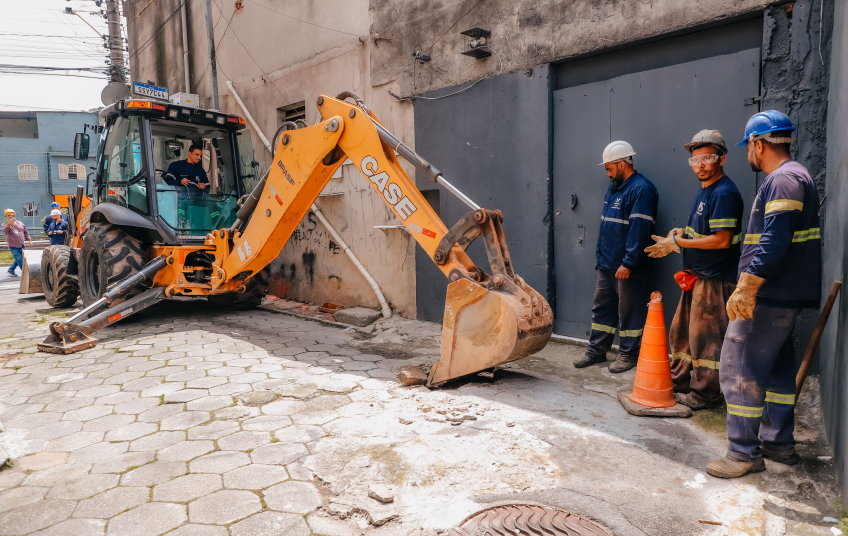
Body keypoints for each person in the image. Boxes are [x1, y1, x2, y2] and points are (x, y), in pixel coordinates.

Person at [706, 111, 821, 479]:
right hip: (782, 297)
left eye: (748, 148)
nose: (748, 155)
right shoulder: (797, 176)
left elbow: (774, 238)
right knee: (777, 372)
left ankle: (742, 453)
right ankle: (778, 443)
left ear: (758, 144)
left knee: (738, 370)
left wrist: (748, 284)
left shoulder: (784, 179)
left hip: (766, 297)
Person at [645, 130, 744, 409]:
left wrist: (680, 241)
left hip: (714, 281)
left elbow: (723, 239)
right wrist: (680, 233)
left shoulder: (724, 193)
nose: (700, 165)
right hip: (698, 278)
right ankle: (681, 383)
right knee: (682, 335)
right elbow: (700, 233)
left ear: (721, 159)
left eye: (707, 158)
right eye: (695, 160)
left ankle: (705, 395)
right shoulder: (705, 192)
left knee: (706, 342)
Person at [574, 141, 659, 373]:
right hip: (607, 264)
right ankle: (597, 351)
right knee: (602, 310)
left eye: (610, 168)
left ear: (623, 164)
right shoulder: (614, 187)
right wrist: (602, 259)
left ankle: (628, 355)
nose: (608, 173)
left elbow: (639, 231)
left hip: (627, 267)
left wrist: (629, 262)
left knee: (629, 312)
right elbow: (607, 228)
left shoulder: (641, 189)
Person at [2, 208, 33, 276]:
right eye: (8, 215)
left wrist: (29, 240)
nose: (10, 216)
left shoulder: (20, 223)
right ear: (6, 216)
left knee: (22, 259)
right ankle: (26, 274)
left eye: (11, 215)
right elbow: (4, 230)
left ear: (14, 215)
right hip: (13, 246)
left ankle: (11, 269)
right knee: (20, 260)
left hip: (22, 245)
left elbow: (25, 232)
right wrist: (9, 224)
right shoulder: (5, 224)